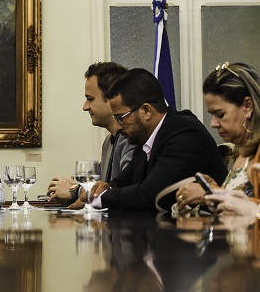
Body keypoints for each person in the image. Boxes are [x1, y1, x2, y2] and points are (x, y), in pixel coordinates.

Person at [91, 68, 228, 210]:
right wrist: (106, 187)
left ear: (146, 111)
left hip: (212, 228)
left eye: (121, 118)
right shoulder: (145, 137)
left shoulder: (184, 134)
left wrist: (98, 200)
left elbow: (150, 195)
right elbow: (124, 181)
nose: (118, 127)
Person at [47, 62, 135, 205]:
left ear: (112, 98)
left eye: (90, 99)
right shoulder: (108, 142)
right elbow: (97, 187)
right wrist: (77, 189)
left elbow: (121, 190)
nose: (85, 107)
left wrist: (73, 190)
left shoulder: (131, 139)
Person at [175, 62, 260, 210]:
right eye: (211, 115)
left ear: (247, 106)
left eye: (220, 114)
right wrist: (216, 190)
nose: (213, 123)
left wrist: (212, 194)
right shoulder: (243, 151)